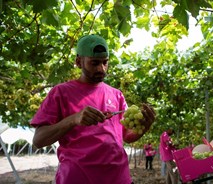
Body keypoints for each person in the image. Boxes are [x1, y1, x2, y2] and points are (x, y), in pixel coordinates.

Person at [30, 34, 156, 184]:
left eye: (105, 62)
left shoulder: (116, 95)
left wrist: (144, 127)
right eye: (94, 63)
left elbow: (127, 136)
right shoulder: (60, 93)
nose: (101, 69)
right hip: (77, 179)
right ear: (78, 61)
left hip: (119, 179)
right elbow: (38, 140)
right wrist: (73, 119)